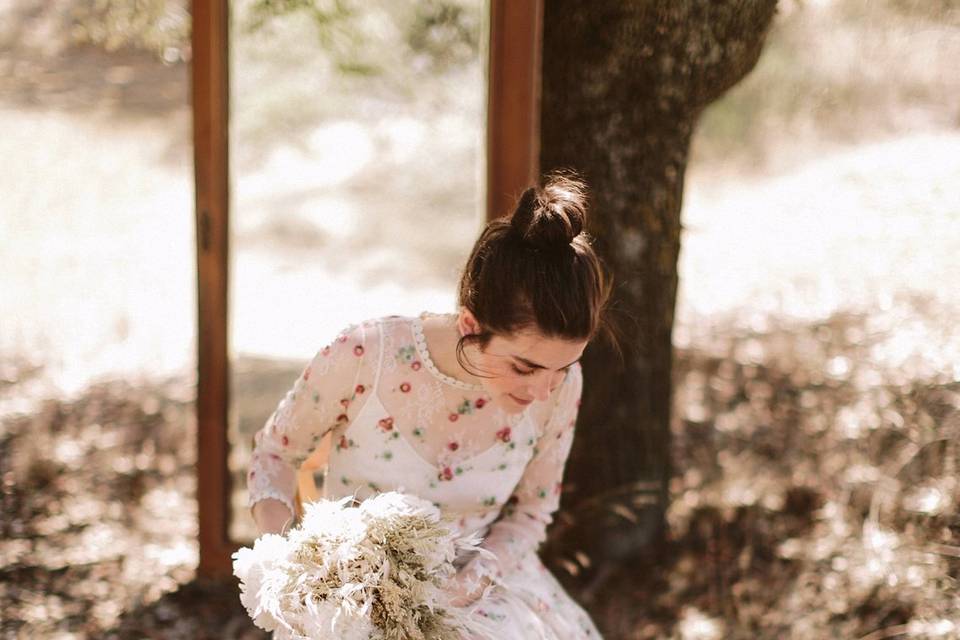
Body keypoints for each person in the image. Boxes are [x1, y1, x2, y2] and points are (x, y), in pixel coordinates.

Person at [247, 172, 611, 639]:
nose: (544, 391)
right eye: (525, 368)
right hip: (353, 598)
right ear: (469, 325)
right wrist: (288, 565)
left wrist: (460, 591)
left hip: (485, 593)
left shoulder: (561, 387)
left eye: (562, 368)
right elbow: (275, 453)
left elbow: (532, 512)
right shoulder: (366, 355)